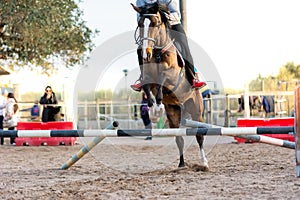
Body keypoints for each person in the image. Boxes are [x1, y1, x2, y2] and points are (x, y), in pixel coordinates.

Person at [130, 0, 205, 92]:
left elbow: (176, 14)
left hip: (172, 24)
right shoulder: (140, 1)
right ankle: (142, 79)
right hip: (151, 26)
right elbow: (139, 18)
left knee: (183, 44)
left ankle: (193, 78)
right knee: (140, 49)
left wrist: (161, 18)